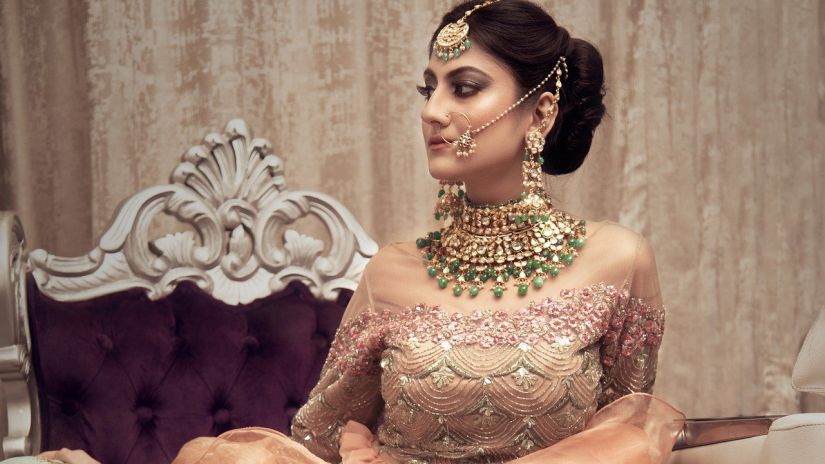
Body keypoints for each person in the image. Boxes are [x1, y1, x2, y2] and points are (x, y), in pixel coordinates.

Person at [29, 0, 685, 463]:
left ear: (538, 111)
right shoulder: (393, 273)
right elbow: (316, 437)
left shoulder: (617, 260)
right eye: (427, 88)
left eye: (464, 87)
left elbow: (625, 435)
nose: (432, 111)